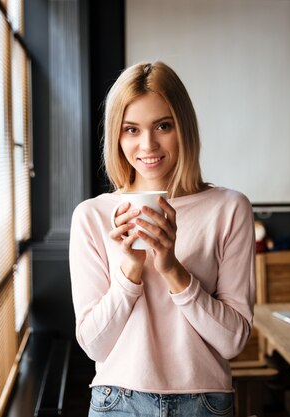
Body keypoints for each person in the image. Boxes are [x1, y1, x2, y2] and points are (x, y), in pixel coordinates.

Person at [69, 61, 255, 416]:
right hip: (117, 402)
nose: (148, 144)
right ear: (116, 135)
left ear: (183, 127)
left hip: (204, 404)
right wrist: (129, 270)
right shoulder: (92, 216)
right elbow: (94, 345)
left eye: (163, 126)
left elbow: (233, 341)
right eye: (131, 129)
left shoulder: (229, 208)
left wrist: (172, 269)